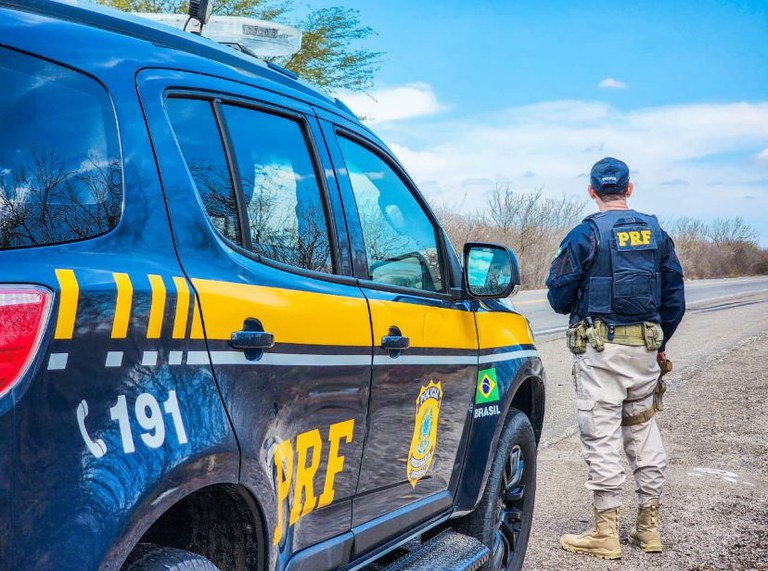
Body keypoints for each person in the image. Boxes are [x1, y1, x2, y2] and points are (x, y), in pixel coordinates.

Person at [546, 157, 685, 560]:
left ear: (592, 191)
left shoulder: (586, 233)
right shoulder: (657, 234)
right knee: (642, 431)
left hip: (601, 353)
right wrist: (659, 344)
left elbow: (558, 295)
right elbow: (675, 298)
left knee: (601, 434)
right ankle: (648, 529)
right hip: (644, 351)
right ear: (629, 189)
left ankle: (606, 533)